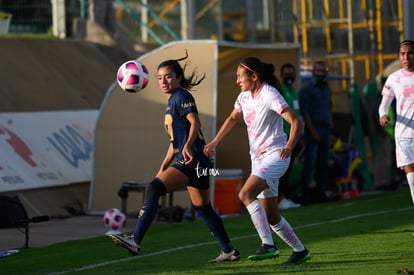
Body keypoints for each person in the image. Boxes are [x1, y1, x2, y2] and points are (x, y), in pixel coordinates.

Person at [110, 51, 240, 263]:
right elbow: (174, 144)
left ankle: (135, 240)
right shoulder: (172, 102)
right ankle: (228, 250)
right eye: (160, 78)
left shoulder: (181, 96)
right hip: (199, 161)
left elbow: (195, 122)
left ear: (178, 77)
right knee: (204, 209)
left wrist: (187, 146)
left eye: (168, 76)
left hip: (193, 158)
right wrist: (163, 167)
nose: (164, 81)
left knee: (153, 189)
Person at [203, 56, 311, 264]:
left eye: (239, 76)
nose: (237, 81)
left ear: (254, 76)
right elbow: (233, 118)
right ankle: (300, 250)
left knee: (245, 193)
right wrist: (215, 141)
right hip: (258, 159)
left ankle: (268, 245)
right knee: (272, 215)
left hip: (276, 155)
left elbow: (296, 122)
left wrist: (289, 147)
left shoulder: (270, 94)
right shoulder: (243, 97)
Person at [379, 39, 414, 204]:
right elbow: (383, 106)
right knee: (412, 178)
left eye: (410, 53)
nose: (406, 57)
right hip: (404, 135)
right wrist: (383, 115)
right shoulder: (394, 78)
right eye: (402, 54)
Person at [298, 60, 333, 205]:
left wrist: (331, 125)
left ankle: (321, 193)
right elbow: (304, 112)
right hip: (314, 128)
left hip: (325, 128)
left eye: (323, 71)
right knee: (310, 163)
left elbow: (329, 106)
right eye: (318, 71)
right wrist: (312, 130)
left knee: (323, 163)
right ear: (313, 73)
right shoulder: (307, 89)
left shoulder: (326, 87)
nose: (321, 74)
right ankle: (306, 195)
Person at [278, 63, 302, 209]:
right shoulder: (281, 92)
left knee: (289, 169)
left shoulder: (294, 92)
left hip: (294, 137)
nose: (289, 77)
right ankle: (280, 199)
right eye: (286, 74)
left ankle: (284, 197)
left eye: (291, 74)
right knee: (282, 170)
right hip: (284, 137)